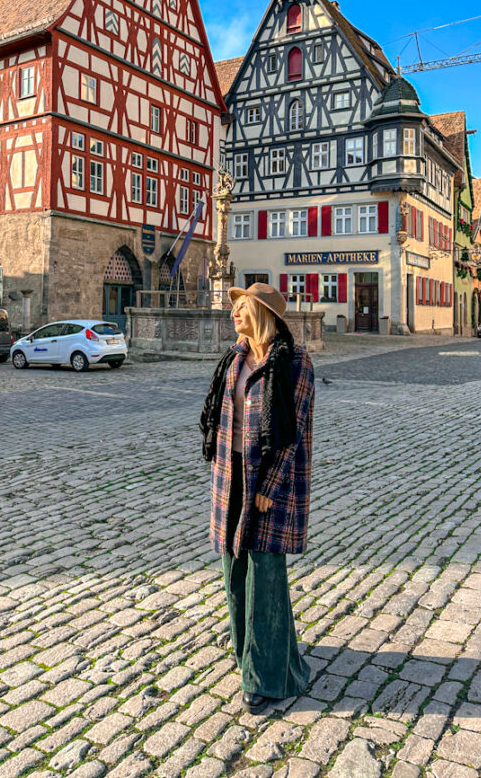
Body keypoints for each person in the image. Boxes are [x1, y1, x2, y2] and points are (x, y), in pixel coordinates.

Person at [199, 282, 315, 708]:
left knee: (265, 575)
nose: (234, 314)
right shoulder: (236, 358)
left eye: (241, 307)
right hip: (230, 477)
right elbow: (219, 414)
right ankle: (247, 654)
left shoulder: (294, 363)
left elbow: (293, 431)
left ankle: (266, 676)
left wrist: (269, 486)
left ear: (262, 313)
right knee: (234, 568)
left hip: (268, 483)